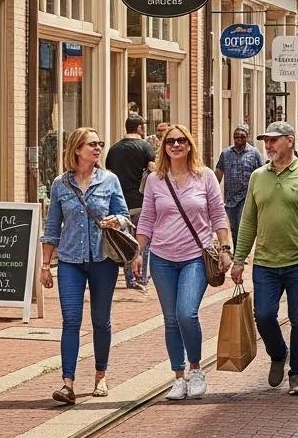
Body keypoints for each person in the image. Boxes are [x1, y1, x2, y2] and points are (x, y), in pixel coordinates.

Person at [230, 122, 298, 396]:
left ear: (290, 141)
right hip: (265, 262)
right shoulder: (257, 177)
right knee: (263, 316)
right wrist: (239, 260)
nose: (269, 145)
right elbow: (248, 221)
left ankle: (297, 374)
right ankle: (278, 353)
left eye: (274, 140)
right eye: (266, 140)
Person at [133, 124, 231, 401]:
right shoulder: (155, 180)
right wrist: (137, 252)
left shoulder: (205, 176)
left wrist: (225, 248)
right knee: (170, 319)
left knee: (186, 313)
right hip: (162, 258)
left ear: (189, 145)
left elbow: (218, 214)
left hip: (195, 257)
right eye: (170, 141)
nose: (175, 145)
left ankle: (196, 369)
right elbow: (147, 218)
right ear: (163, 147)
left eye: (181, 141)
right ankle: (178, 376)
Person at [40, 127, 130, 406]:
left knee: (101, 320)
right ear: (77, 149)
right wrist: (45, 264)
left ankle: (100, 375)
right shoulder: (60, 184)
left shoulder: (109, 180)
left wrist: (116, 220)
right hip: (70, 261)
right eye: (92, 144)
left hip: (103, 260)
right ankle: (67, 383)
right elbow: (52, 227)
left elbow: (124, 216)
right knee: (71, 321)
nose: (98, 148)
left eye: (99, 144)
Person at [105, 113, 156, 292]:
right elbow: (153, 171)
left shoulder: (114, 149)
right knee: (143, 241)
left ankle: (129, 278)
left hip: (120, 204)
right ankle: (141, 276)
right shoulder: (145, 147)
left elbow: (109, 174)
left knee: (126, 241)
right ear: (140, 128)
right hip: (140, 202)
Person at [214, 123, 263, 243]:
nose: (239, 138)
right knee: (234, 229)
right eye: (236, 136)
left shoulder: (254, 153)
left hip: (247, 197)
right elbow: (218, 173)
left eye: (242, 136)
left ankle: (242, 252)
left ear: (247, 136)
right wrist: (212, 193)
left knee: (242, 227)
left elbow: (261, 175)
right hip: (230, 199)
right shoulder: (226, 154)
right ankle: (237, 250)